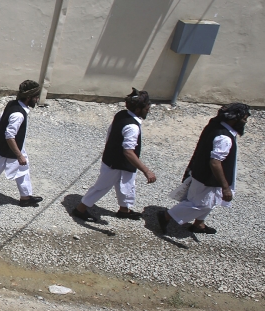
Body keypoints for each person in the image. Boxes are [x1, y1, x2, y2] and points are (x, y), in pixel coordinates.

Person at [158, 103, 250, 236]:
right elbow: (215, 163)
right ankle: (167, 216)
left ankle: (198, 224)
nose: (245, 122)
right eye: (244, 119)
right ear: (234, 119)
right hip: (207, 178)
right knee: (201, 204)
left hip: (201, 172)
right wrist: (225, 187)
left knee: (212, 200)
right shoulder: (224, 137)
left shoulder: (215, 124)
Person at [72, 89, 156, 222]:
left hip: (118, 161)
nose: (148, 111)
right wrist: (146, 171)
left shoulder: (121, 114)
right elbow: (128, 151)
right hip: (115, 163)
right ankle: (80, 209)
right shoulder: (132, 127)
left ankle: (124, 210)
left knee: (128, 185)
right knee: (101, 187)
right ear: (138, 109)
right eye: (146, 108)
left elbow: (110, 132)